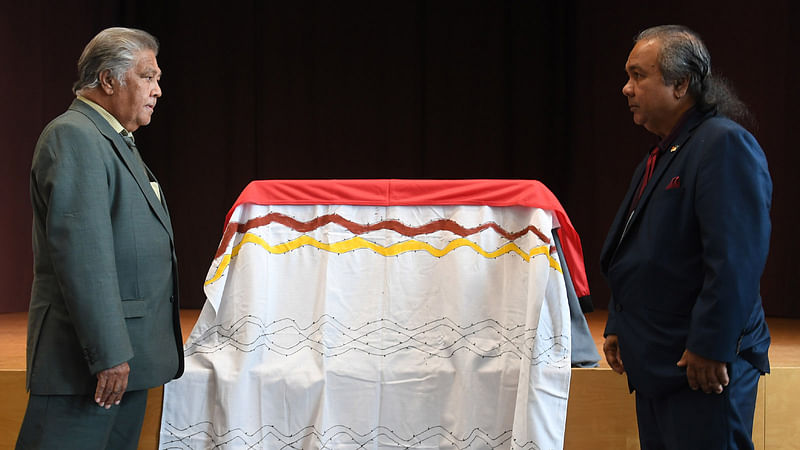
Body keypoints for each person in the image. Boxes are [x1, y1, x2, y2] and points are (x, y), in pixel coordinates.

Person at [600, 25, 771, 449]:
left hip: (701, 368)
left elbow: (734, 260)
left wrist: (711, 345)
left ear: (680, 84)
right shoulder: (663, 154)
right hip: (659, 361)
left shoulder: (723, 145)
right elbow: (638, 248)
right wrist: (621, 323)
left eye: (638, 75)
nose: (626, 88)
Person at [16, 27, 183, 449]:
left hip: (126, 362)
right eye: (148, 77)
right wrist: (109, 354)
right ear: (109, 80)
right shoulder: (74, 135)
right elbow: (84, 257)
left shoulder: (114, 141)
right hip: (90, 369)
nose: (157, 90)